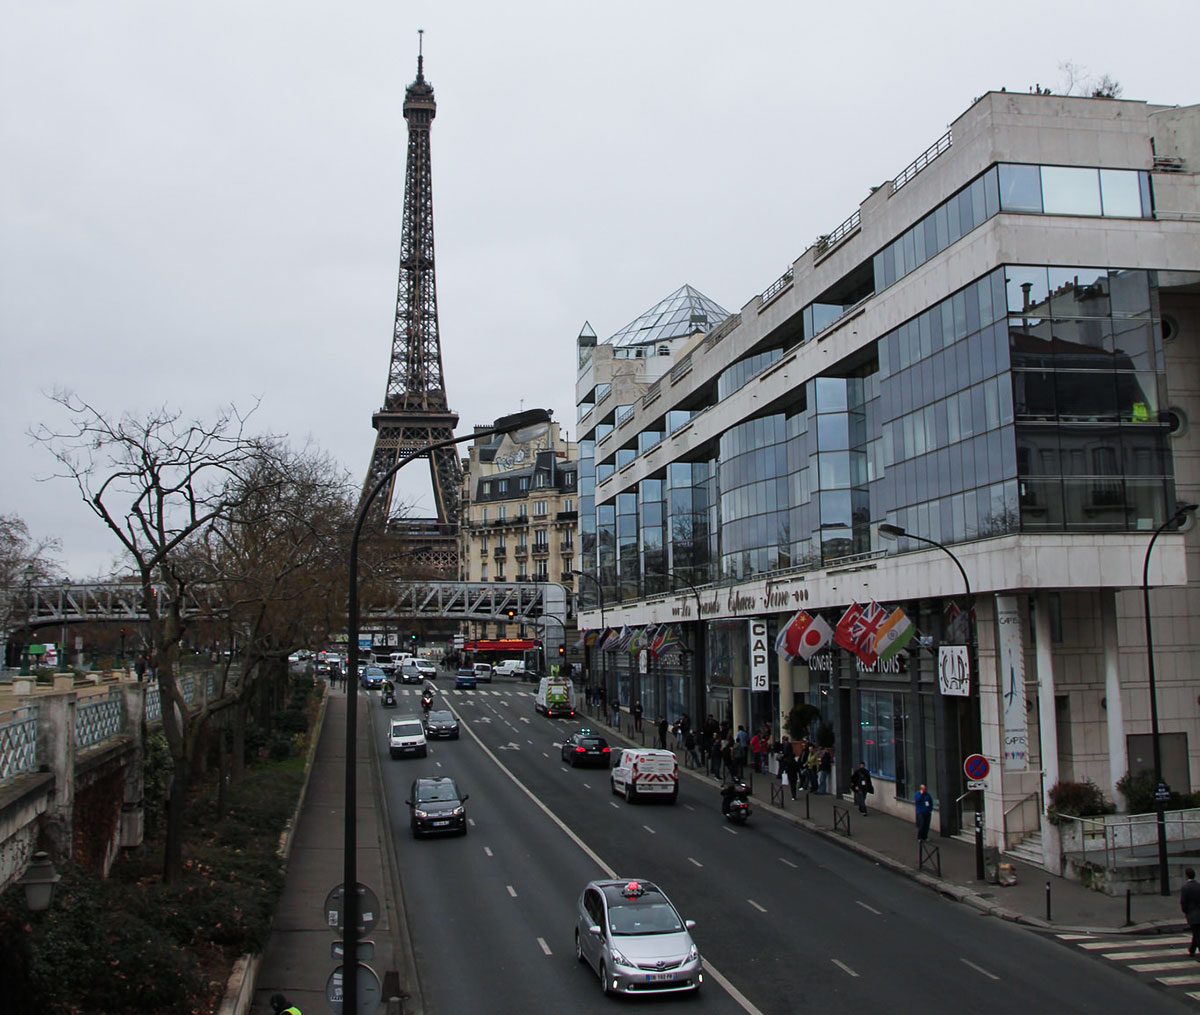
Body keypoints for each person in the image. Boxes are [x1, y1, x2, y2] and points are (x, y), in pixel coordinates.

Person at [1182, 868, 1200, 956]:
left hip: (1192, 914)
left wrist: (1185, 911)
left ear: (1186, 876)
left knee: (1197, 934)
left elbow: (1183, 902)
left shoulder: (1185, 887)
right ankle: (1192, 949)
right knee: (1196, 932)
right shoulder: (1198, 886)